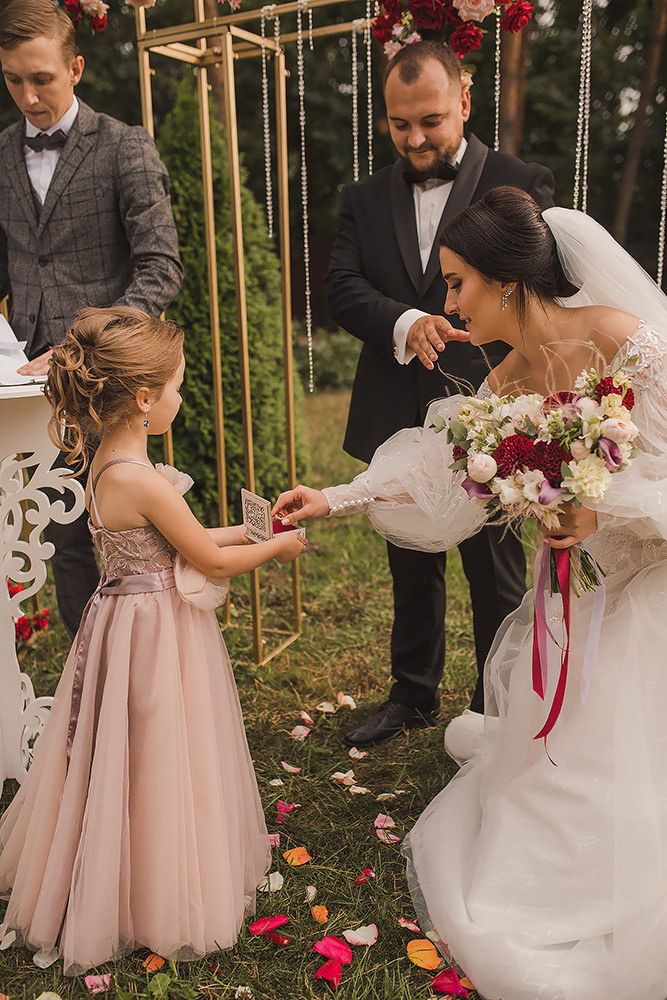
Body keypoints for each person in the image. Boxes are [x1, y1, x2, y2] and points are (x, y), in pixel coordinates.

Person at [274, 186, 667, 999]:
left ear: (507, 283)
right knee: (552, 771)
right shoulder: (510, 376)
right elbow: (437, 465)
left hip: (654, 585)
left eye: (457, 283)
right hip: (594, 591)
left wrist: (601, 511)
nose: (447, 303)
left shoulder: (624, 340)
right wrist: (333, 498)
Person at [0, 307, 306, 975]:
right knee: (158, 745)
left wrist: (256, 529)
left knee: (128, 745)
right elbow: (208, 559)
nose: (180, 398)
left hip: (125, 617)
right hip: (155, 631)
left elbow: (179, 542)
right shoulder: (138, 478)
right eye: (177, 387)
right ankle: (151, 887)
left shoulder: (112, 463)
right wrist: (276, 550)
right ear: (143, 398)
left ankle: (128, 860)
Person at [326, 40, 554, 746]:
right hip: (394, 403)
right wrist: (405, 321)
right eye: (399, 125)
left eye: (430, 120)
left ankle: (495, 704)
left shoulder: (522, 180)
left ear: (464, 99)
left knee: (495, 570)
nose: (416, 139)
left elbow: (539, 289)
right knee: (409, 560)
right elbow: (341, 288)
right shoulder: (362, 198)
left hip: (492, 406)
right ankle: (411, 695)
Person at [0, 0, 183, 639]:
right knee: (62, 536)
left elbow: (161, 266)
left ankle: (140, 655)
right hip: (29, 384)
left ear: (75, 69)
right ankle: (88, 664)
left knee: (121, 533)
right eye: (13, 80)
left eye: (42, 79)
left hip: (110, 380)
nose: (28, 96)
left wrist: (90, 346)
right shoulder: (0, 154)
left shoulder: (125, 147)